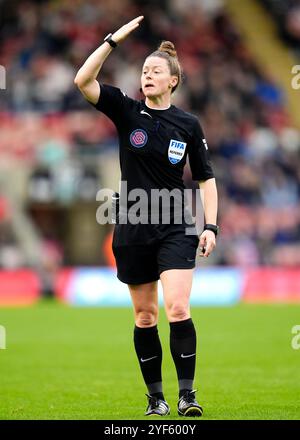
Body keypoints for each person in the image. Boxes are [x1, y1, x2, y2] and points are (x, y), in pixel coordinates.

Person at [74, 16, 219, 417]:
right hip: (133, 225)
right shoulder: (126, 111)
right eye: (144, 70)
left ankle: (187, 396)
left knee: (177, 308)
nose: (147, 75)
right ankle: (156, 399)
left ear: (173, 80)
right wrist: (113, 40)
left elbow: (206, 179)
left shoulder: (188, 124)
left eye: (156, 70)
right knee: (145, 315)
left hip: (176, 224)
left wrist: (210, 225)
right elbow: (82, 81)